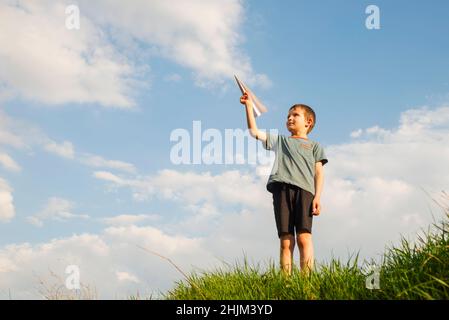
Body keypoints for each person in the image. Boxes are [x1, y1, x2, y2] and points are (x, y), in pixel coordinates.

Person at [240, 92, 328, 275]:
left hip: (305, 193)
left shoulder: (315, 146)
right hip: (281, 191)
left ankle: (307, 282)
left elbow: (319, 172)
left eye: (295, 115)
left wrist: (318, 197)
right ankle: (286, 283)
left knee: (304, 238)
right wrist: (249, 107)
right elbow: (254, 132)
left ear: (308, 122)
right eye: (288, 115)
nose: (289, 118)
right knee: (286, 241)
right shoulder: (280, 141)